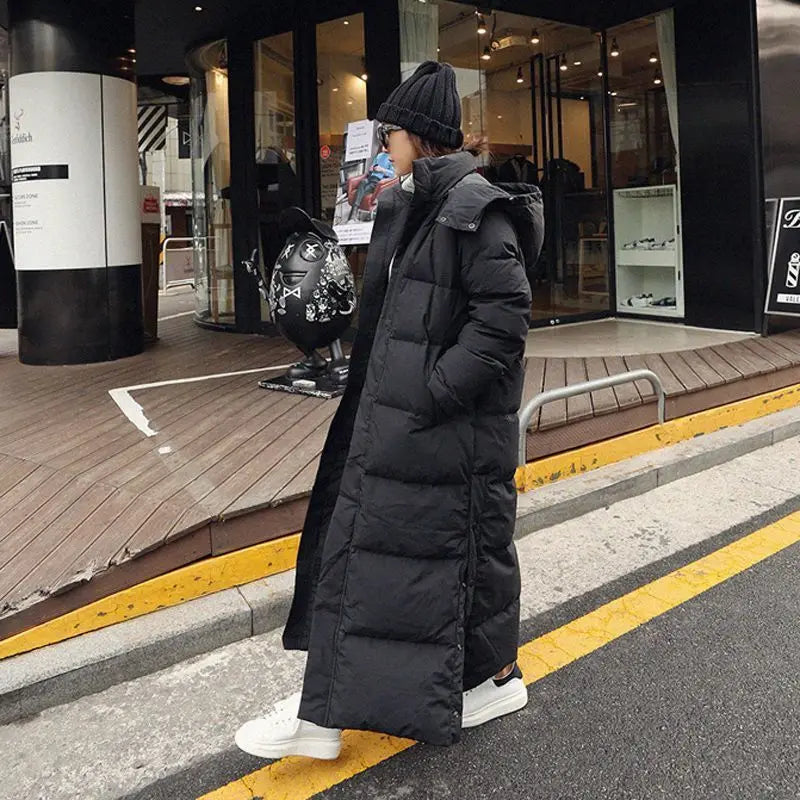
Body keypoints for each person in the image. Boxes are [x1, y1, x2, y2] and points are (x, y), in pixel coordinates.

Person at [235, 60, 544, 759]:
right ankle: (482, 681)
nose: (383, 147)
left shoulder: (474, 211)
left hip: (436, 429)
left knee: (390, 563)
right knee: (433, 561)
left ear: (418, 137)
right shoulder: (418, 207)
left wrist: (430, 393)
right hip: (409, 425)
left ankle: (328, 716)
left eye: (390, 135)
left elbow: (503, 324)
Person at [346, 147, 395, 221]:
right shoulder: (379, 155)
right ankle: (353, 215)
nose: (383, 147)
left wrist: (382, 170)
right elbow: (372, 167)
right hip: (370, 178)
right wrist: (371, 169)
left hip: (378, 182)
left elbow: (393, 174)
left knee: (360, 191)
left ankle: (353, 214)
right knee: (363, 182)